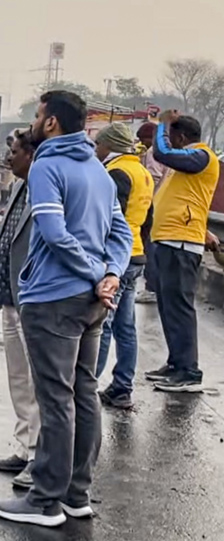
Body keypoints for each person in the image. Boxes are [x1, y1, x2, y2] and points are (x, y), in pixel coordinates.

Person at [0, 90, 132, 528]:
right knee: (84, 391)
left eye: (37, 115)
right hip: (92, 303)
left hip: (54, 298)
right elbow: (121, 232)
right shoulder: (98, 170)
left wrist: (94, 275)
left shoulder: (48, 166)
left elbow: (52, 231)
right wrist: (110, 275)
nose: (33, 123)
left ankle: (45, 500)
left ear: (51, 123)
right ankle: (76, 494)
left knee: (55, 399)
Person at [143, 113, 221, 393]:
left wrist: (161, 123)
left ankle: (189, 371)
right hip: (169, 240)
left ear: (182, 137)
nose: (169, 143)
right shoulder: (187, 162)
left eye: (172, 136)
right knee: (168, 307)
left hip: (181, 243)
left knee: (179, 308)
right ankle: (177, 363)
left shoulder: (201, 156)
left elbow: (161, 152)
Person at [0, 129, 39, 489]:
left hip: (32, 299)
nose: (9, 158)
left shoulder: (46, 187)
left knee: (38, 382)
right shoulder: (21, 186)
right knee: (18, 378)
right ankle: (25, 446)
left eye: (16, 151)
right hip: (11, 297)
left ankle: (39, 457)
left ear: (33, 154)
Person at [93, 122, 154, 409]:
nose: (96, 149)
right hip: (136, 255)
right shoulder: (142, 172)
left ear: (110, 145)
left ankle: (86, 385)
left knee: (103, 326)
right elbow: (147, 221)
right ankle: (122, 388)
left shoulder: (115, 173)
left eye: (99, 144)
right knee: (126, 327)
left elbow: (108, 222)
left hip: (116, 259)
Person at [134, 120, 167, 304]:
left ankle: (151, 287)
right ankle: (154, 286)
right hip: (159, 203)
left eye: (144, 139)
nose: (142, 143)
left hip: (152, 203)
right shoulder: (162, 151)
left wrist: (143, 194)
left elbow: (153, 177)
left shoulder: (154, 152)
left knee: (150, 246)